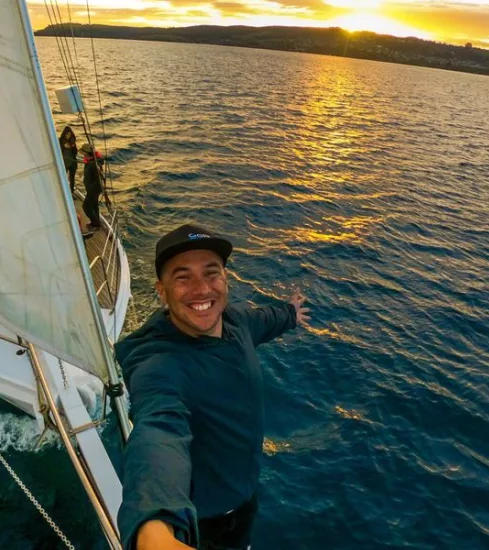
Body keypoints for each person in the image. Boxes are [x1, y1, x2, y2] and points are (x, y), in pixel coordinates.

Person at [115, 224, 311, 550]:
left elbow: (266, 319)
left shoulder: (237, 323)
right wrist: (155, 530)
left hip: (246, 499)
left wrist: (290, 313)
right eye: (183, 277)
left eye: (211, 273)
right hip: (206, 524)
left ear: (225, 280)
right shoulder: (160, 365)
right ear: (161, 291)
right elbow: (158, 433)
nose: (201, 289)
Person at [80, 142, 104, 231]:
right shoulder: (91, 162)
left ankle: (96, 224)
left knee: (86, 207)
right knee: (94, 205)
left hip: (93, 189)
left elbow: (98, 179)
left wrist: (90, 189)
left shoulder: (93, 165)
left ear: (87, 154)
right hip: (93, 189)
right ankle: (96, 223)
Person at [58, 126, 79, 195]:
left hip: (72, 162)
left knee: (72, 179)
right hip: (64, 162)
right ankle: (63, 192)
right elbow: (58, 152)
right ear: (64, 134)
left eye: (69, 134)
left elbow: (75, 153)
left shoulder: (72, 141)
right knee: (63, 177)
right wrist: (63, 146)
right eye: (67, 134)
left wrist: (73, 147)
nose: (68, 136)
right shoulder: (60, 141)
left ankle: (71, 192)